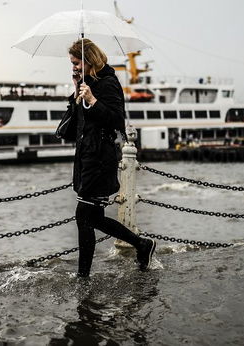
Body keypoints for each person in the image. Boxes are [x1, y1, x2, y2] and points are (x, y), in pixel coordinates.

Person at [64, 38, 156, 278]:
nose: (73, 67)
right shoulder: (86, 84)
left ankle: (83, 276)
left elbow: (116, 120)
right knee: (91, 217)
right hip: (86, 158)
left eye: (76, 63)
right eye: (72, 63)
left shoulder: (108, 83)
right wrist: (77, 94)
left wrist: (93, 100)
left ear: (89, 60)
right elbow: (74, 127)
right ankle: (142, 245)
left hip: (100, 159)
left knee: (84, 216)